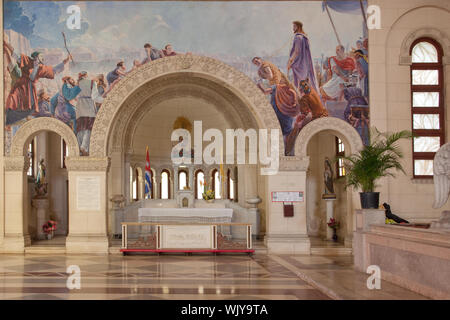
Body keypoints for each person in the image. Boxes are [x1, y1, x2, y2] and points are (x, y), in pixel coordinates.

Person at [3, 39, 70, 125]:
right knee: (14, 103)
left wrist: (64, 62)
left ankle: (12, 119)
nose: (39, 61)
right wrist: (7, 45)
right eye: (38, 58)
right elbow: (15, 54)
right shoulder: (27, 61)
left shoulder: (41, 68)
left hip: (30, 89)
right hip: (21, 86)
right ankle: (7, 119)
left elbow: (53, 70)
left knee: (30, 108)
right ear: (35, 57)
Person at [253, 57, 299, 155]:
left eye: (256, 61)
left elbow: (269, 76)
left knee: (281, 123)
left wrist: (261, 82)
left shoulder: (265, 66)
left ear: (260, 59)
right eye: (255, 62)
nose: (256, 63)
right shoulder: (283, 88)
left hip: (281, 109)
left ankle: (284, 147)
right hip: (284, 111)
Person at [75, 71, 103, 156]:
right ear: (86, 75)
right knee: (89, 127)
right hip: (88, 106)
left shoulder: (77, 83)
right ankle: (84, 147)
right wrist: (105, 100)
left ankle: (79, 148)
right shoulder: (91, 82)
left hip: (79, 107)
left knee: (80, 128)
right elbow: (95, 97)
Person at [287, 21, 318, 93]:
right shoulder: (304, 37)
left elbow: (296, 51)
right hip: (305, 65)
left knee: (298, 84)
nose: (293, 28)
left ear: (298, 27)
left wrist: (290, 61)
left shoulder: (297, 37)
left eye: (294, 26)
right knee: (304, 84)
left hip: (299, 65)